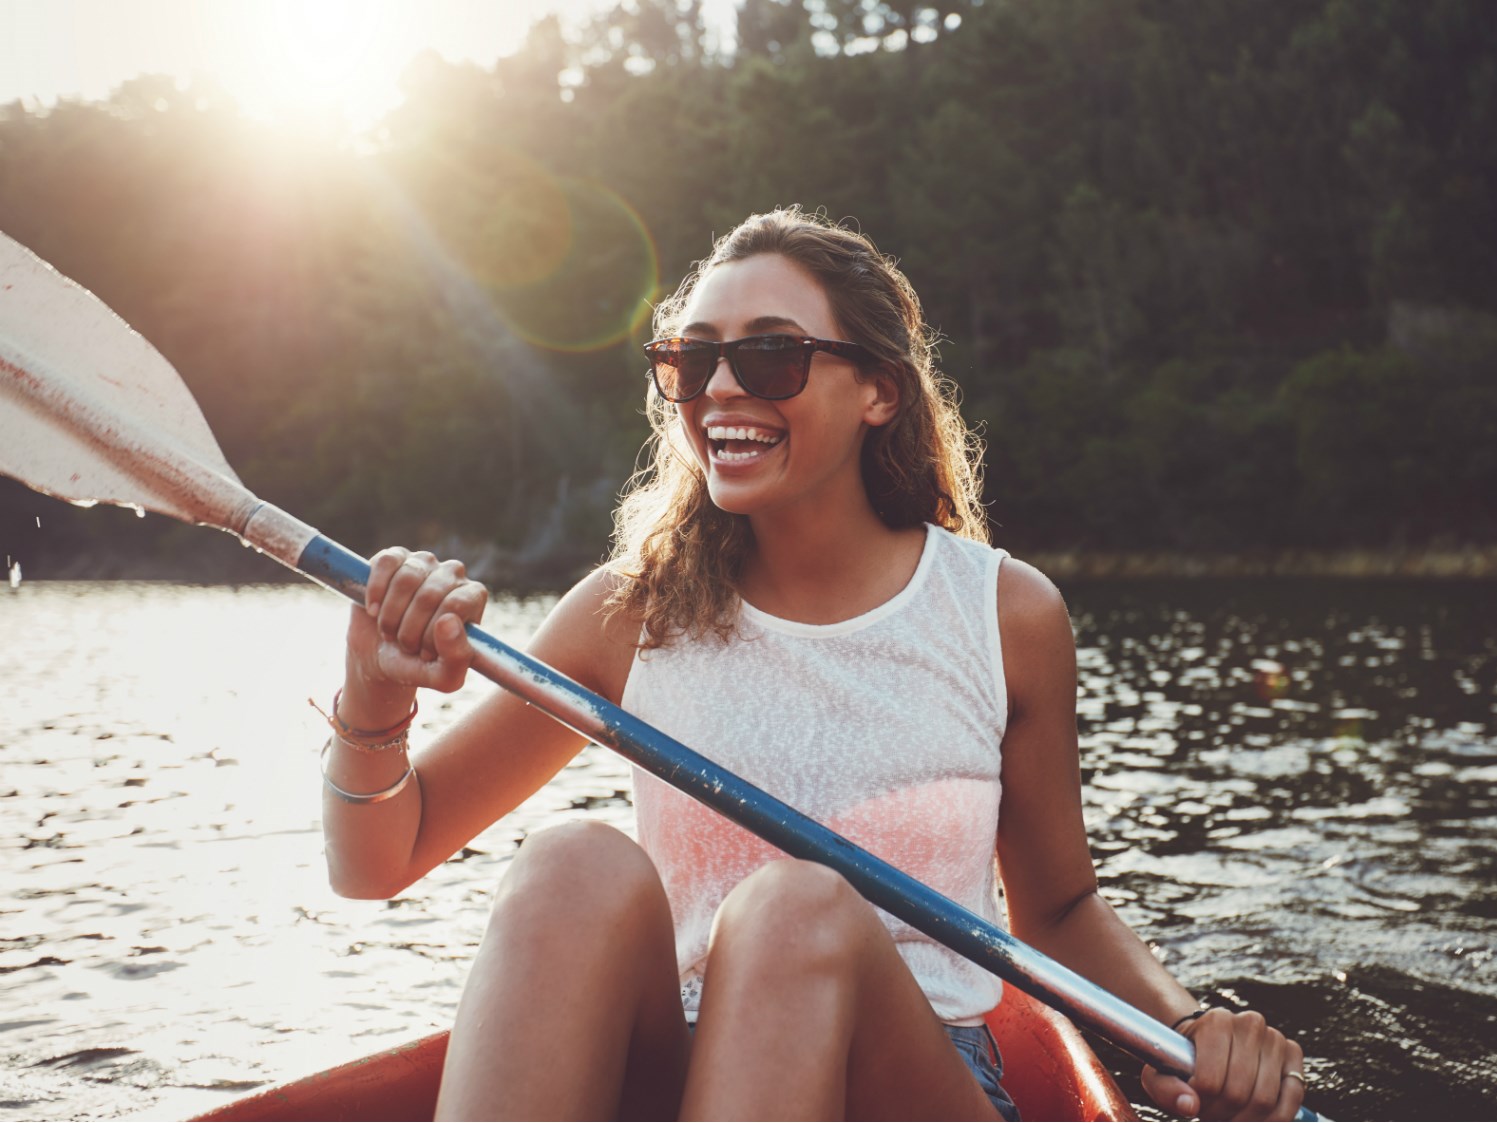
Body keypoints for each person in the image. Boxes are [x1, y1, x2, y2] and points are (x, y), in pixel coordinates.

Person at [316, 207, 1308, 1121]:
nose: (721, 390)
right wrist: (375, 695)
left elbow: (1056, 909)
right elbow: (378, 861)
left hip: (919, 1082)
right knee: (570, 860)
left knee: (798, 906)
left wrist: (1190, 1027)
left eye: (771, 355)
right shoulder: (632, 612)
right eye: (692, 360)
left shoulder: (1003, 614)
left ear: (879, 389)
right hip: (684, 1079)